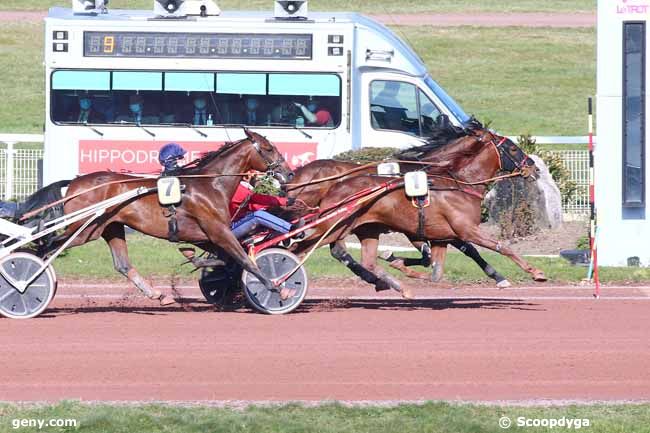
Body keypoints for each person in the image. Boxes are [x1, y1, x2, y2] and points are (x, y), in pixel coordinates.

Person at [229, 172, 299, 239]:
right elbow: (258, 199)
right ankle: (290, 229)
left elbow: (253, 205)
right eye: (249, 173)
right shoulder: (237, 189)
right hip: (230, 229)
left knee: (259, 214)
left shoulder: (234, 187)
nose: (252, 175)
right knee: (258, 215)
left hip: (235, 224)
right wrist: (285, 201)